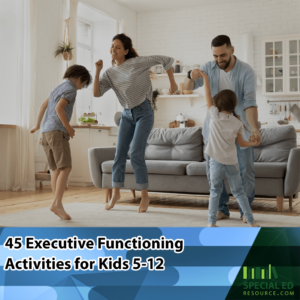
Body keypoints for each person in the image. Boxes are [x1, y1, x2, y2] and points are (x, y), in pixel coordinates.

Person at [93, 33, 178, 213]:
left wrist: (173, 83)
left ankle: (145, 195)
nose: (113, 49)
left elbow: (167, 60)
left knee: (137, 154)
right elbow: (96, 93)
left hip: (144, 112)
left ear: (126, 51)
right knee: (119, 154)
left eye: (118, 47)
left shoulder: (137, 63)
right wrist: (98, 70)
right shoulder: (109, 72)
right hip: (126, 115)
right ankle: (116, 192)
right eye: (112, 46)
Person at [184, 35, 261, 222]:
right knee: (213, 173)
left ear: (232, 50)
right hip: (214, 132)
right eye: (215, 56)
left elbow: (250, 103)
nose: (219, 60)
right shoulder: (209, 67)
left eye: (223, 55)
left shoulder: (247, 72)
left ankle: (245, 211)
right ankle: (221, 209)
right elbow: (188, 88)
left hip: (238, 128)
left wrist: (254, 129)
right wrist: (189, 75)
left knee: (246, 171)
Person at [30, 65, 92, 220]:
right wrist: (68, 127)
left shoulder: (57, 87)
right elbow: (59, 108)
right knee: (66, 167)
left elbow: (43, 106)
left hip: (46, 131)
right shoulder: (70, 89)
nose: (81, 88)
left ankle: (58, 204)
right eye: (82, 85)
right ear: (79, 79)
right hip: (58, 131)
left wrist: (38, 125)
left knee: (56, 170)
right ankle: (56, 203)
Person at [199, 70, 260, 227]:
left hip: (216, 163)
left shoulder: (214, 115)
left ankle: (211, 222)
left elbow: (207, 95)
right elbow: (241, 144)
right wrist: (253, 143)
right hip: (232, 163)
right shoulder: (237, 122)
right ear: (233, 105)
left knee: (215, 192)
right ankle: (251, 220)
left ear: (218, 103)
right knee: (239, 192)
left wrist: (205, 78)